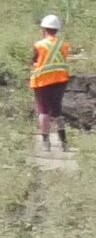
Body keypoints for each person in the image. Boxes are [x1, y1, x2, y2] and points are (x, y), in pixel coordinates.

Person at [40, 14, 76, 158]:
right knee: (57, 111)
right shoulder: (64, 45)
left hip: (42, 82)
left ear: (44, 29)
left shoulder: (39, 45)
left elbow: (34, 61)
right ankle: (64, 142)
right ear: (57, 30)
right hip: (60, 81)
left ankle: (45, 142)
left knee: (43, 111)